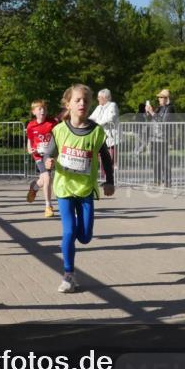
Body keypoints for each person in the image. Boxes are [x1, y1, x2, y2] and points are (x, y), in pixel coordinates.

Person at [44, 84, 115, 293]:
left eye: (86, 100)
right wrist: (48, 162)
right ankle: (68, 275)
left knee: (84, 237)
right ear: (68, 104)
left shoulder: (96, 131)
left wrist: (109, 181)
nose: (82, 103)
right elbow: (48, 154)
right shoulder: (59, 130)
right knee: (68, 231)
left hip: (85, 190)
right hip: (64, 188)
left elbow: (106, 158)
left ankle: (74, 239)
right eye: (77, 100)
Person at [25, 100, 60, 217]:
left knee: (44, 179)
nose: (42, 111)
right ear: (33, 112)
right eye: (39, 109)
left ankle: (34, 187)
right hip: (38, 155)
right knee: (47, 178)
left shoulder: (52, 123)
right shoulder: (31, 125)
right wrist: (29, 149)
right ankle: (48, 206)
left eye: (44, 109)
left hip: (49, 155)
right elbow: (30, 141)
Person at [89, 89, 120, 178]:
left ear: (105, 98)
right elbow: (92, 117)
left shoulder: (112, 105)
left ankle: (109, 178)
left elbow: (111, 118)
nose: (98, 99)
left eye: (99, 97)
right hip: (101, 136)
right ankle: (104, 177)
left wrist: (98, 123)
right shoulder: (99, 107)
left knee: (110, 158)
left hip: (111, 136)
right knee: (102, 157)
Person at [146, 89, 173, 187]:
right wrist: (148, 113)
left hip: (163, 138)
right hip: (154, 137)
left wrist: (152, 112)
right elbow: (151, 119)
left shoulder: (169, 108)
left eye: (161, 97)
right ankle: (156, 180)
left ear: (167, 98)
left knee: (164, 160)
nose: (159, 99)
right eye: (159, 97)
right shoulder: (159, 108)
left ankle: (168, 181)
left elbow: (163, 121)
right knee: (155, 160)